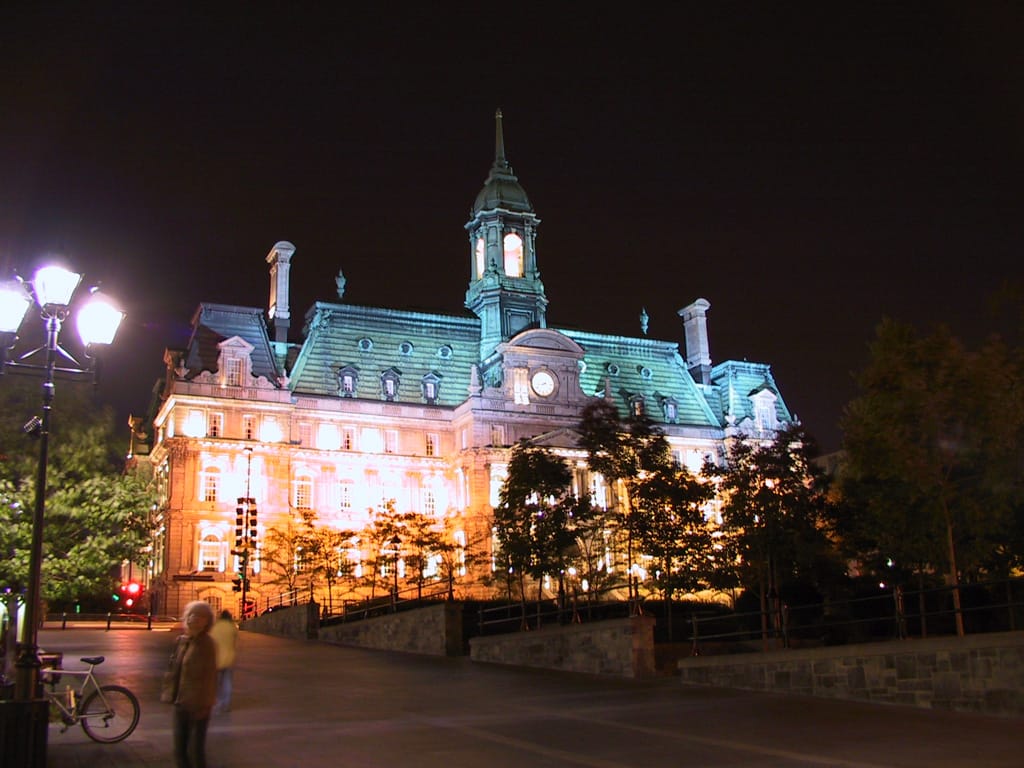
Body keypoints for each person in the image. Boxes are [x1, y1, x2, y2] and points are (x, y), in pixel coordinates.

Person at [162, 601, 217, 768]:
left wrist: (205, 706)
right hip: (180, 702)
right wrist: (169, 693)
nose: (195, 619)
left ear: (207, 622)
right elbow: (173, 670)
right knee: (179, 750)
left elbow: (210, 677)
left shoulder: (207, 644)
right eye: (192, 615)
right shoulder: (182, 641)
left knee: (195, 751)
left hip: (198, 706)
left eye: (201, 616)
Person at [209, 609, 239, 713]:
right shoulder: (232, 627)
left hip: (216, 659)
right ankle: (226, 704)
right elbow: (235, 641)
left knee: (216, 683)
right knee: (227, 682)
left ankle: (218, 702)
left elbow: (211, 641)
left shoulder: (215, 627)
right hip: (229, 658)